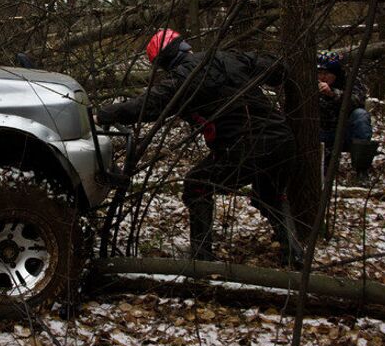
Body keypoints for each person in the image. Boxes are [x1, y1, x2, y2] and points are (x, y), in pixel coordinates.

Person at [95, 29, 304, 268]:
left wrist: (104, 114)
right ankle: (296, 257)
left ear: (163, 63)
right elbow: (277, 68)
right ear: (184, 46)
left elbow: (147, 106)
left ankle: (202, 261)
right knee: (270, 196)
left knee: (197, 184)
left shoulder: (182, 79)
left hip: (244, 147)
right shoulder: (229, 57)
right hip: (281, 140)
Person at [317, 50, 378, 182]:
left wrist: (333, 94)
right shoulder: (312, 84)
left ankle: (361, 171)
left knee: (360, 116)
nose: (322, 77)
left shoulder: (351, 80)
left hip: (345, 133)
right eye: (320, 73)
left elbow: (357, 101)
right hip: (322, 134)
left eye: (326, 74)